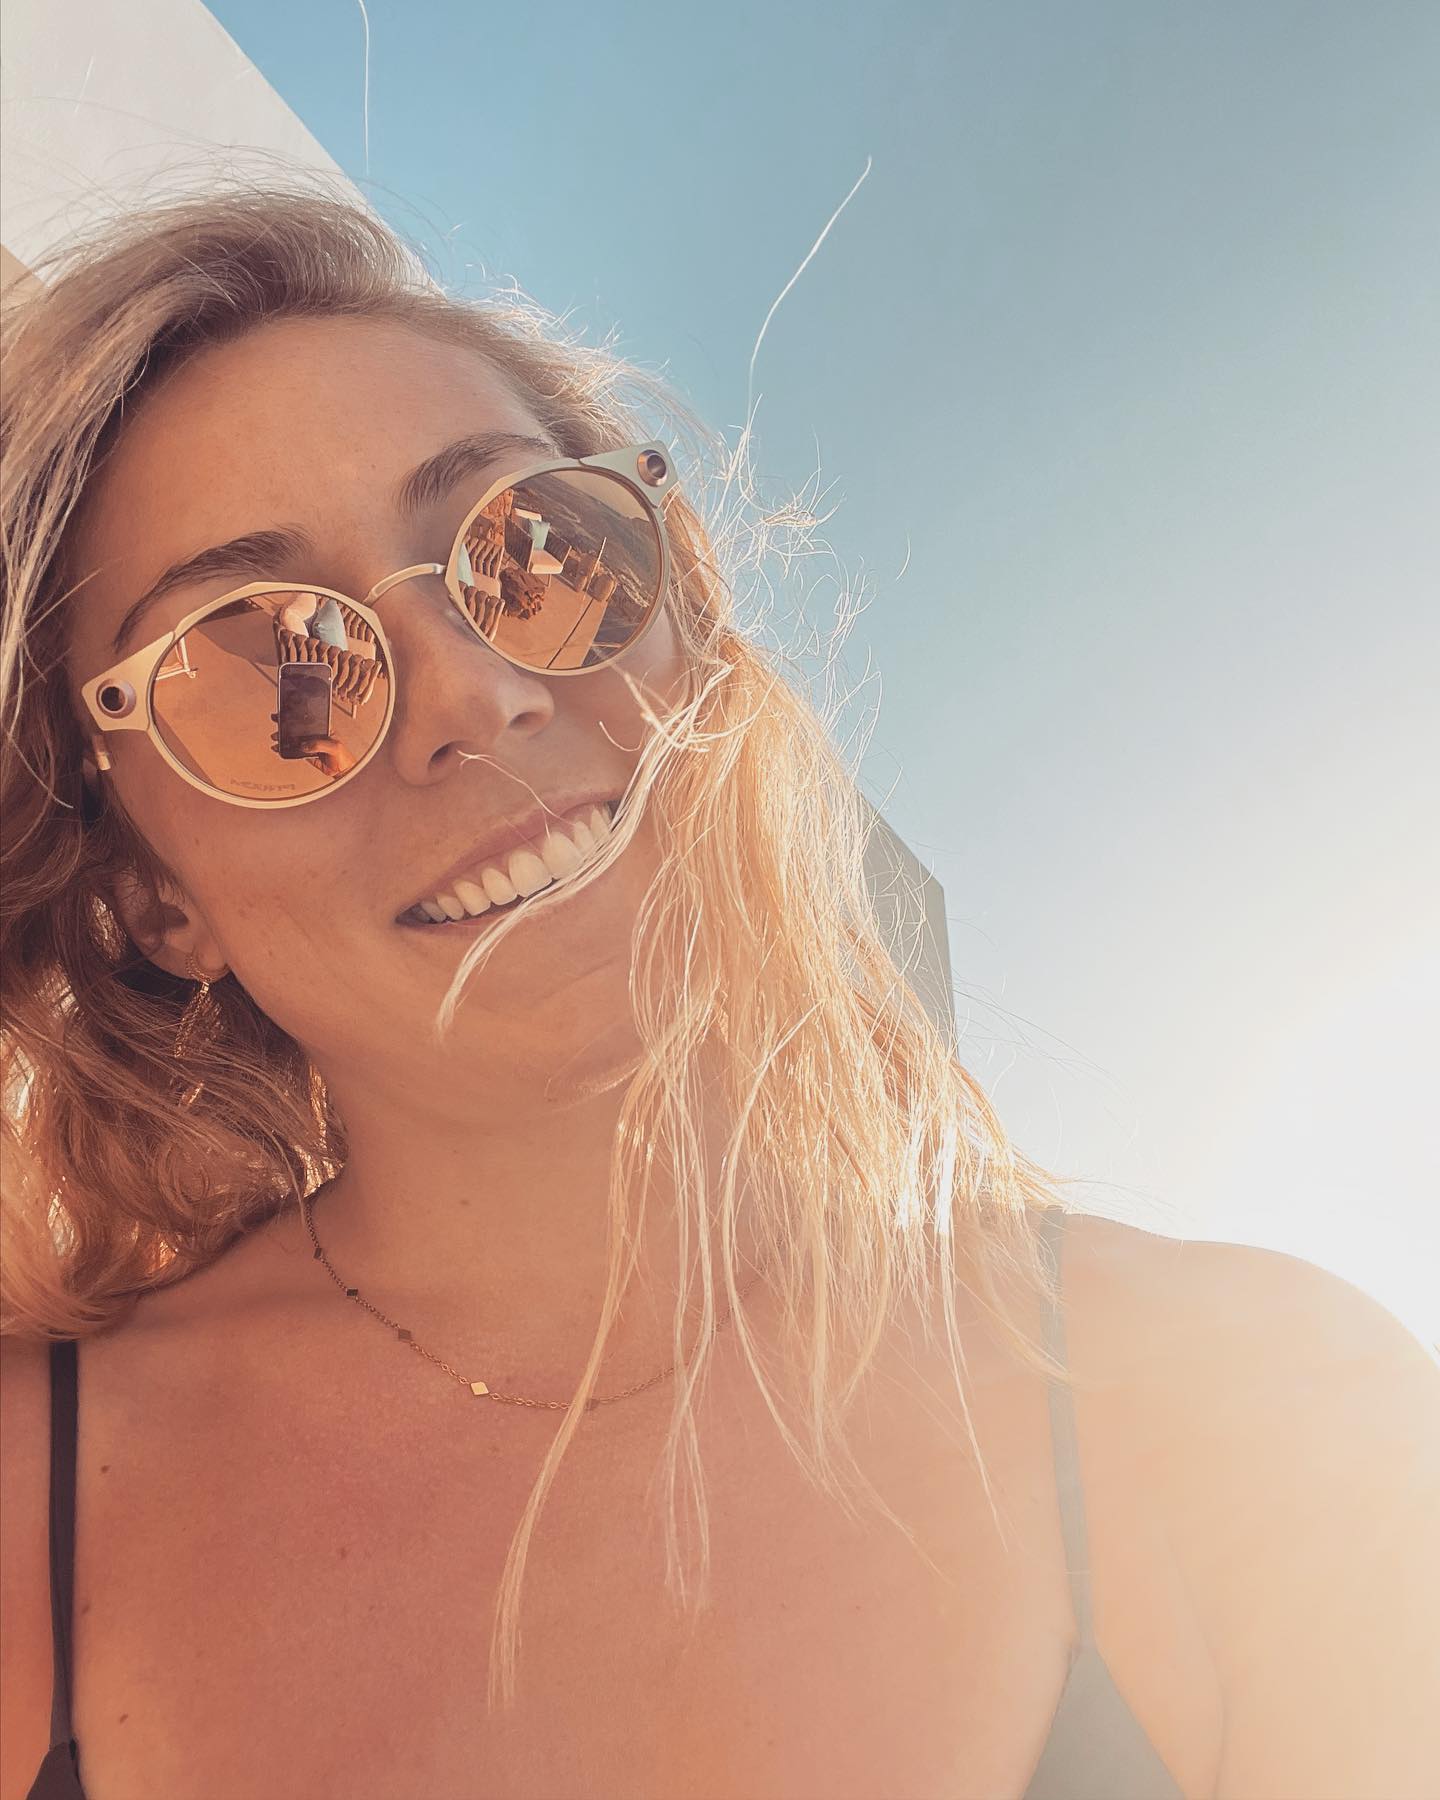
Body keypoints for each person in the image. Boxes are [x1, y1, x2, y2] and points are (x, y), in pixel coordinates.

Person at [1, 187, 1436, 1800]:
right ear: (151, 892)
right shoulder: (32, 1505)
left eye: (533, 550)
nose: (476, 692)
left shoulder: (1261, 1407)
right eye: (268, 667)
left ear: (685, 620)